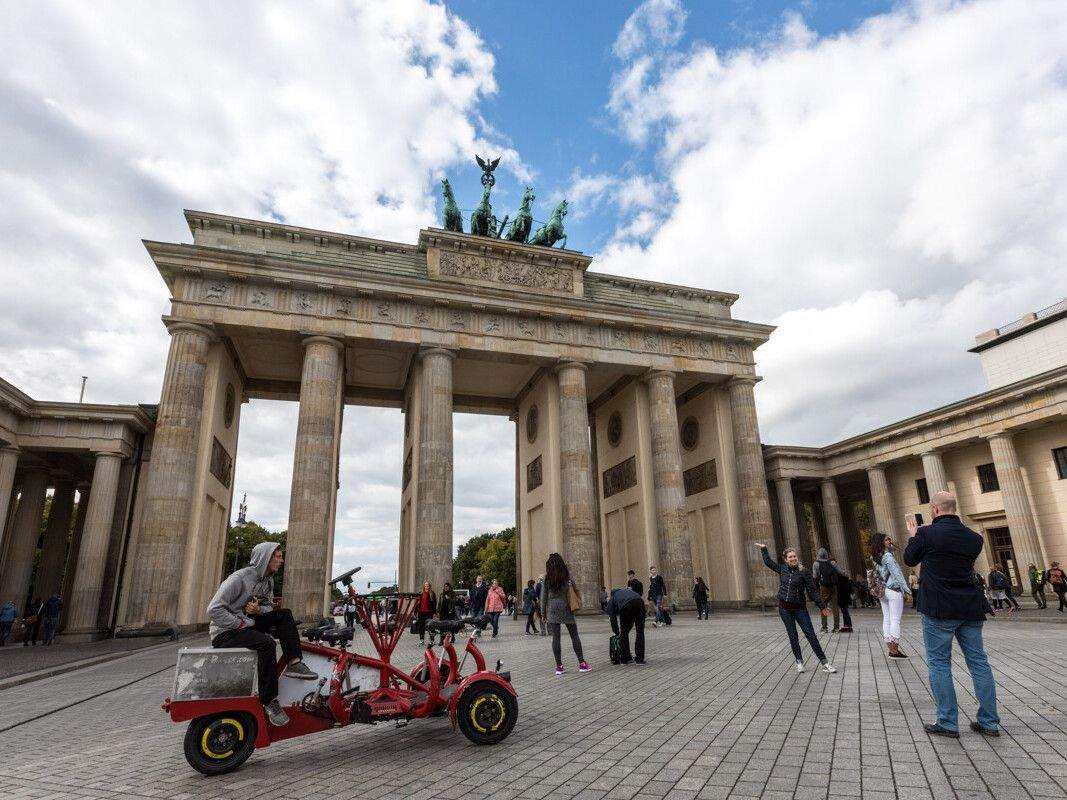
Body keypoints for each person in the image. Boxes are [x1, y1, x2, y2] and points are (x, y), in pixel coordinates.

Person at [903, 491, 1000, 738]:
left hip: (939, 608)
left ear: (935, 509)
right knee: (979, 662)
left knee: (939, 663)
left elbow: (909, 558)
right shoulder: (974, 538)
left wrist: (913, 536)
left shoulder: (926, 534)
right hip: (969, 606)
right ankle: (989, 722)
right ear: (953, 508)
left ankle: (947, 722)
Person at [207, 541, 317, 727]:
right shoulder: (238, 579)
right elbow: (214, 609)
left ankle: (294, 663)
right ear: (265, 558)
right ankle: (269, 701)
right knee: (267, 644)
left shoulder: (268, 580)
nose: (281, 560)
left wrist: (259, 610)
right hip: (225, 632)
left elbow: (268, 607)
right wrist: (240, 623)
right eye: (278, 556)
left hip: (248, 623)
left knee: (284, 614)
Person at [755, 543, 837, 674]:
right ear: (786, 559)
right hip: (785, 609)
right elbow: (768, 562)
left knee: (811, 635)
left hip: (800, 609)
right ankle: (799, 661)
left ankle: (825, 663)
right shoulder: (782, 569)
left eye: (794, 556)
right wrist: (764, 549)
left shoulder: (804, 572)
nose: (793, 558)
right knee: (793, 635)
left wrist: (822, 606)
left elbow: (812, 591)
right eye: (790, 557)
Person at [540, 553, 591, 675]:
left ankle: (559, 667)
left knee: (556, 638)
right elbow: (575, 588)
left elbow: (543, 597)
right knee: (574, 635)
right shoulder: (566, 575)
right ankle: (582, 664)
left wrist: (543, 613)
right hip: (566, 607)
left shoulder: (547, 578)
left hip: (552, 609)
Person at [870, 532, 911, 658]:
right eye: (887, 539)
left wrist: (891, 549)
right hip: (893, 590)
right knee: (895, 620)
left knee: (887, 618)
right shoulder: (887, 556)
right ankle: (895, 650)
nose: (889, 541)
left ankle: (891, 649)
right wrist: (907, 590)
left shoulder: (875, 557)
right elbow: (897, 574)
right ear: (881, 542)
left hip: (883, 591)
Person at [606, 586, 646, 664]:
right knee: (640, 632)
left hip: (626, 606)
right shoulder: (626, 591)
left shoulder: (613, 597)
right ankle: (640, 659)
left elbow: (612, 617)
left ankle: (625, 658)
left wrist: (617, 632)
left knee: (624, 633)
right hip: (640, 602)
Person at [812, 548, 839, 633]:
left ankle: (824, 627)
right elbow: (840, 572)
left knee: (823, 606)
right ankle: (836, 628)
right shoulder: (832, 562)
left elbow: (815, 576)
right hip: (833, 586)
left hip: (824, 587)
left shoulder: (816, 563)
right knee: (835, 607)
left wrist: (816, 588)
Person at [832, 562, 853, 632]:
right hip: (845, 596)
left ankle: (848, 626)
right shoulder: (844, 576)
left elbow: (838, 587)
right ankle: (847, 625)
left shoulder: (838, 577)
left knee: (844, 611)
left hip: (841, 596)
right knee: (845, 610)